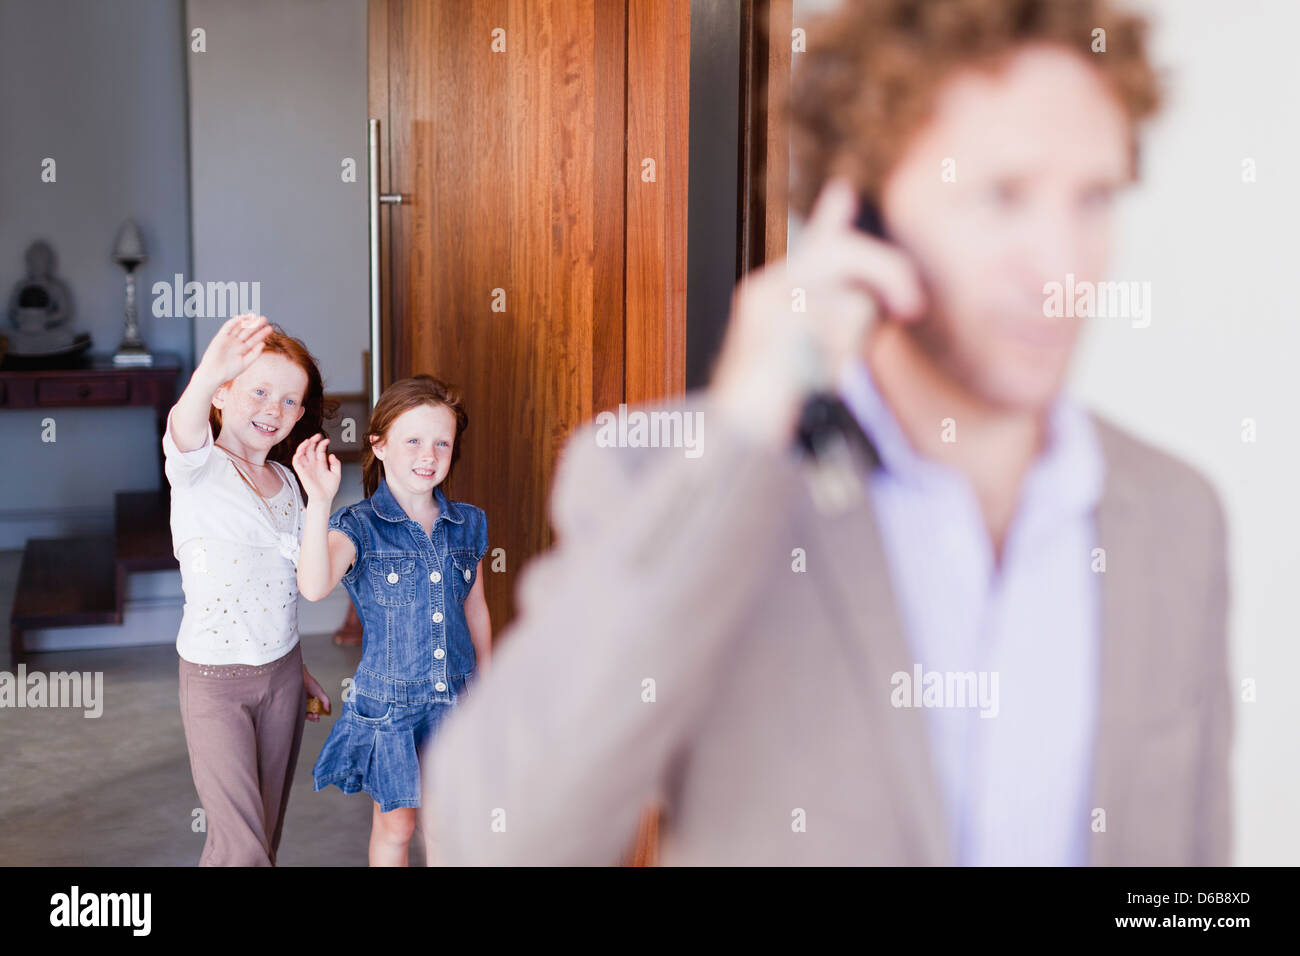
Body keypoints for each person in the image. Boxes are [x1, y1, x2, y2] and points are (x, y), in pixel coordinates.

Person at [423, 0, 1233, 865]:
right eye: (1002, 195)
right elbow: (499, 837)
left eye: (1095, 197)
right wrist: (741, 437)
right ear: (863, 206)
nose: (1063, 263)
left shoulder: (1174, 514)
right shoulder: (667, 477)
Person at [296, 375, 492, 866]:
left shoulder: (468, 522)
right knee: (396, 824)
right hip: (391, 709)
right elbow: (314, 586)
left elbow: (475, 608)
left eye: (441, 443)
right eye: (412, 441)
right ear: (379, 445)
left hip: (458, 698)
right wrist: (320, 503)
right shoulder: (358, 526)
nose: (428, 455)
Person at [164, 313, 334, 866]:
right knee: (243, 849)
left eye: (289, 401)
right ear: (222, 394)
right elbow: (183, 424)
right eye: (258, 390)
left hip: (282, 675)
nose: (272, 409)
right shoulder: (199, 467)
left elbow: (286, 587)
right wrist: (211, 367)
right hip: (215, 683)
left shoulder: (288, 483)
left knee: (261, 837)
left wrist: (300, 667)